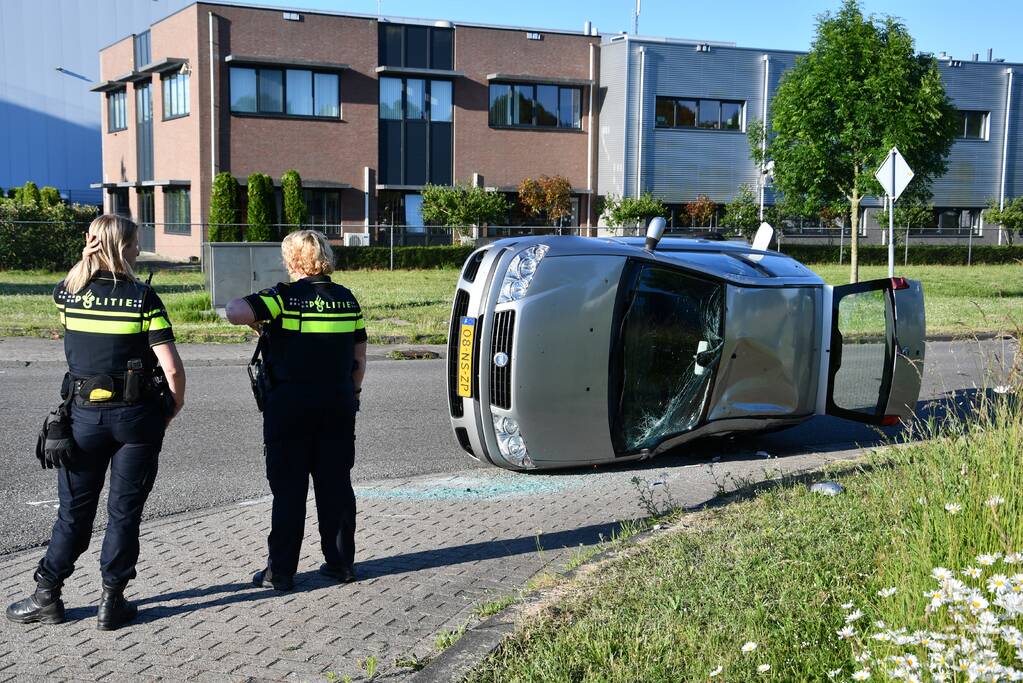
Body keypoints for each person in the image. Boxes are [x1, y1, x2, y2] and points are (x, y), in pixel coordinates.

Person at [6, 214, 185, 630]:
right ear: (123, 247)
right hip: (137, 419)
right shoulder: (143, 298)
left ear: (91, 244)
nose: (139, 249)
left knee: (73, 513)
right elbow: (172, 368)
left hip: (82, 417)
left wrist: (84, 258)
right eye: (135, 243)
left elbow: (67, 286)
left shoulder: (69, 294)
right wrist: (171, 409)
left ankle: (47, 595)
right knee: (124, 514)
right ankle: (111, 601)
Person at [225, 229, 366, 591]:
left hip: (289, 405)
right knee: (336, 486)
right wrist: (353, 393)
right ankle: (341, 565)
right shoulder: (347, 300)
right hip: (338, 403)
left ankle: (282, 571)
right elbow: (359, 357)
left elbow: (234, 310)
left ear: (292, 260)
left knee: (288, 490)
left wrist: (259, 322)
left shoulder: (283, 298)